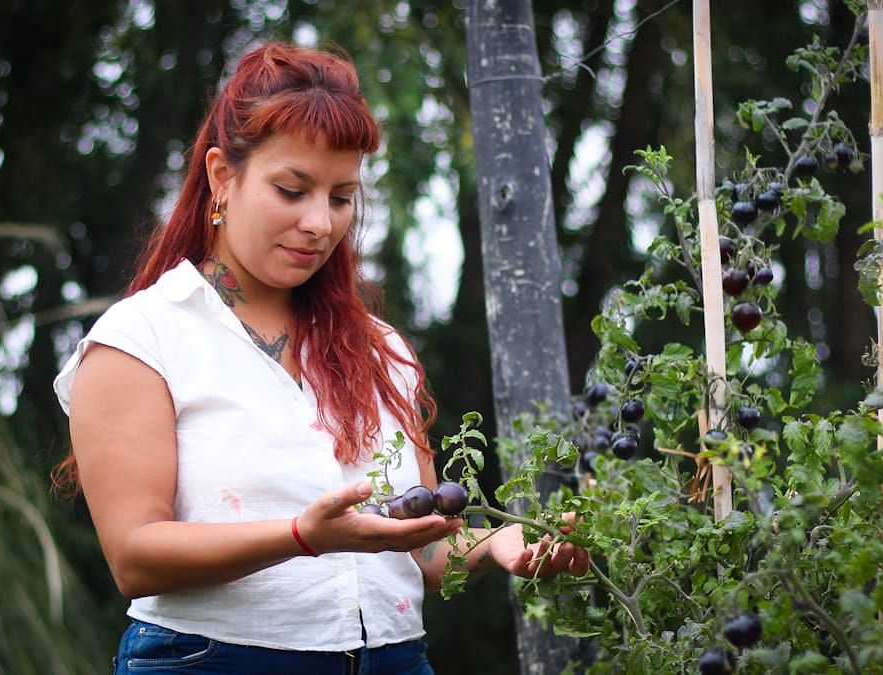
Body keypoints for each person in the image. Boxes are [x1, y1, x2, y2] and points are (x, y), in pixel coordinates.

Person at [52, 42, 589, 675]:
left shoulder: (378, 348)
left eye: (340, 198)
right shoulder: (143, 337)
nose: (318, 223)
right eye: (292, 189)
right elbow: (135, 557)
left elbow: (422, 548)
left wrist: (501, 540)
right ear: (222, 176)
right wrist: (304, 537)